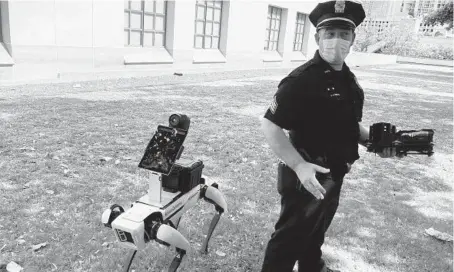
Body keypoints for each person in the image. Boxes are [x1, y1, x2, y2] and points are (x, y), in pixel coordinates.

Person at [259, 1, 395, 272]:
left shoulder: (348, 79)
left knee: (316, 230)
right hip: (307, 176)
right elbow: (270, 125)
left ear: (353, 39)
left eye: (344, 34)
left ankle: (312, 267)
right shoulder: (301, 80)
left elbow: (347, 125)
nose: (337, 40)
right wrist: (299, 166)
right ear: (317, 37)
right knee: (288, 240)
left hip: (335, 172)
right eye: (330, 33)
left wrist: (376, 143)